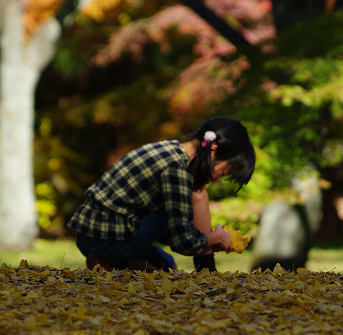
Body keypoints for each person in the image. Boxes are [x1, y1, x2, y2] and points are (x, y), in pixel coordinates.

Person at [67, 117, 255, 273]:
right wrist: (215, 238)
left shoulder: (170, 150)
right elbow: (182, 241)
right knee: (189, 199)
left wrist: (209, 239)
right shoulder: (177, 170)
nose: (217, 179)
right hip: (105, 238)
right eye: (223, 172)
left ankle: (111, 264)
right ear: (213, 151)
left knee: (166, 266)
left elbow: (171, 232)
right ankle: (109, 259)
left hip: (96, 233)